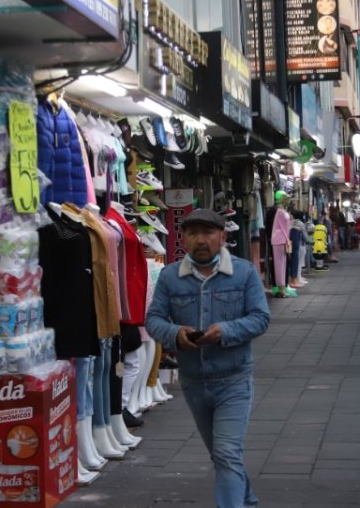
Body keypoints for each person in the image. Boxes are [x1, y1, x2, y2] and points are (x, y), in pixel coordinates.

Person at [145, 209, 270, 508]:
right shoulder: (170, 276)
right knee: (222, 455)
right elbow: (153, 320)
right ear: (184, 238)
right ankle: (247, 499)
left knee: (226, 452)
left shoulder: (243, 273)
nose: (201, 240)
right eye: (193, 234)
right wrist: (177, 334)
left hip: (234, 380)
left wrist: (225, 330)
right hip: (194, 383)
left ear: (223, 237)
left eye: (208, 233)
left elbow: (260, 318)